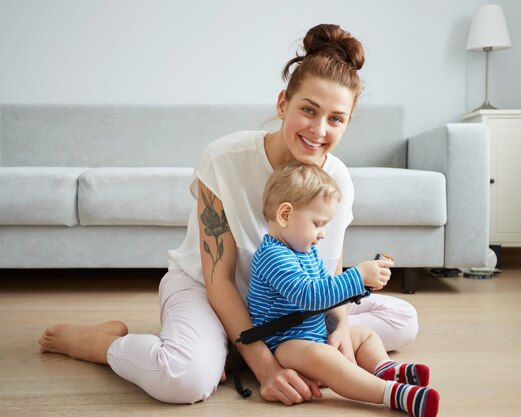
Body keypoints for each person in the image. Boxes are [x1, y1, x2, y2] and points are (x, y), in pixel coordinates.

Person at [39, 23, 418, 406]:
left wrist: (338, 330)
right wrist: (268, 369)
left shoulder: (337, 178)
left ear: (348, 122)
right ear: (283, 103)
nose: (319, 130)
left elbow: (328, 272)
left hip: (285, 302)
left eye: (336, 118)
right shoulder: (224, 159)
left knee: (404, 320)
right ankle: (104, 344)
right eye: (308, 110)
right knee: (183, 380)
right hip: (207, 289)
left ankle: (232, 348)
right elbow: (218, 278)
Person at [247, 163, 439, 417]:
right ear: (285, 215)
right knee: (324, 357)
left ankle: (384, 367)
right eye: (318, 223)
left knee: (365, 335)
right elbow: (311, 295)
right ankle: (390, 393)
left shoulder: (305, 250)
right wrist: (356, 275)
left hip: (312, 332)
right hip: (284, 344)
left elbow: (328, 290)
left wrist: (361, 288)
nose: (323, 234)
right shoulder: (273, 256)